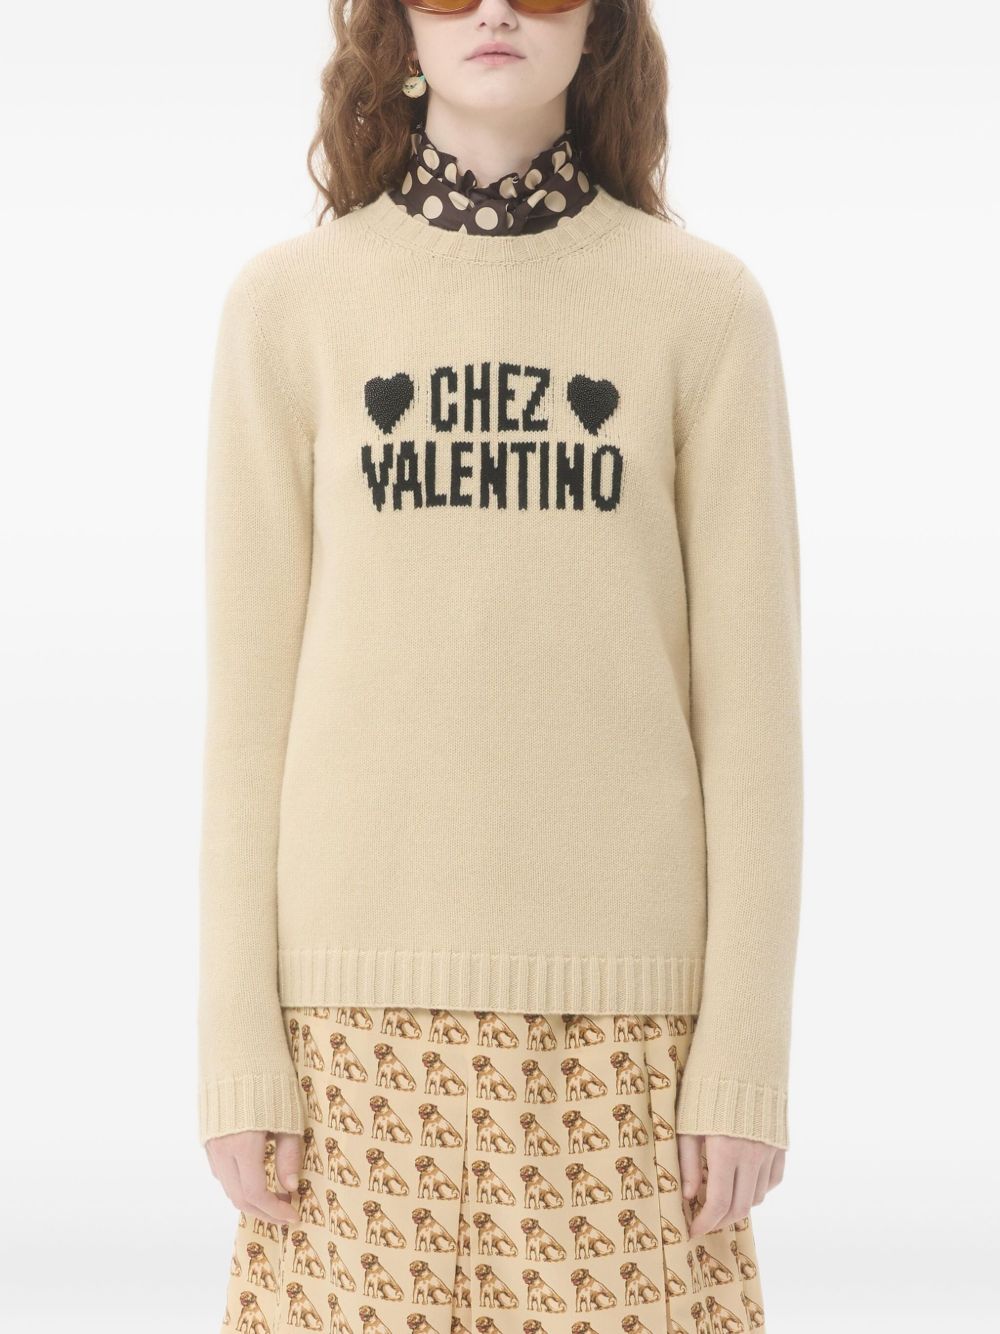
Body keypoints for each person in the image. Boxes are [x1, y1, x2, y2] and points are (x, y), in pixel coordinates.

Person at [197, 0, 803, 1327]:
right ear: (393, 29)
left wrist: (745, 1055)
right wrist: (239, 1048)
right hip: (347, 1037)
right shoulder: (288, 309)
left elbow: (754, 717)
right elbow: (246, 714)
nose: (491, 9)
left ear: (602, 27)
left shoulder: (704, 311)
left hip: (631, 1045)